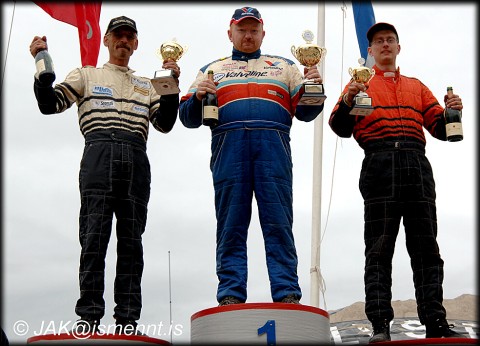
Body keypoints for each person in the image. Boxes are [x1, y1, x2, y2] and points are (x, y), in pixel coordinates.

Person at [30, 16, 180, 334]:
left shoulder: (147, 85)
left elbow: (164, 124)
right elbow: (50, 104)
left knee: (130, 243)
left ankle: (127, 320)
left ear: (136, 43)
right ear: (107, 41)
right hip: (98, 152)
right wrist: (41, 66)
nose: (123, 41)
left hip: (135, 157)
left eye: (129, 36)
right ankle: (89, 318)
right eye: (118, 36)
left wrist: (170, 89)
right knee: (94, 238)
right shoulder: (86, 74)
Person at [179, 7, 324, 306]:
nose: (248, 35)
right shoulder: (212, 69)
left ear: (262, 33)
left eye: (253, 30)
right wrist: (195, 96)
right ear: (230, 32)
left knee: (279, 223)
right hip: (228, 148)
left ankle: (286, 294)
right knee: (231, 224)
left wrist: (315, 86)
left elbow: (308, 112)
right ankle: (231, 293)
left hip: (274, 147)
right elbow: (187, 118)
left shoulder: (285, 66)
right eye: (242, 29)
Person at [328, 22, 463, 343]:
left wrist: (452, 112)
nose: (385, 45)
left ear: (398, 48)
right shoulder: (357, 85)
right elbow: (338, 126)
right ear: (370, 51)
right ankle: (379, 326)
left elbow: (442, 129)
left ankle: (435, 322)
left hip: (417, 164)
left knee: (426, 248)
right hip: (378, 162)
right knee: (378, 249)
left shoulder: (417, 86)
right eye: (378, 41)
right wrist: (348, 99)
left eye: (390, 40)